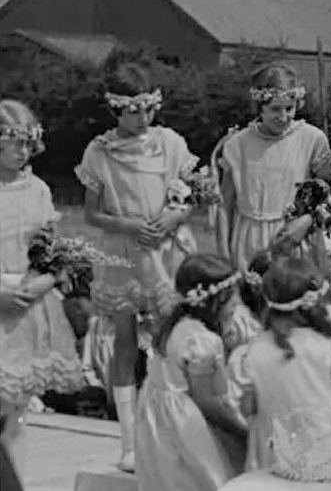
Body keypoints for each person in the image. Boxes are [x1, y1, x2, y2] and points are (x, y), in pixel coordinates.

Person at [75, 63, 199, 471]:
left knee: (171, 335)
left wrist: (173, 216)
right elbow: (92, 213)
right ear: (116, 109)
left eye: (148, 109)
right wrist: (129, 225)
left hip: (166, 251)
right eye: (134, 111)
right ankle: (128, 441)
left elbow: (190, 197)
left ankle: (177, 433)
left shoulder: (170, 143)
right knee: (125, 340)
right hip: (124, 254)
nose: (143, 118)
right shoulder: (99, 152)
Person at [0, 100, 84, 446]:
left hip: (28, 303)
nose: (23, 151)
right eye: (15, 143)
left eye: (28, 143)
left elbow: (53, 252)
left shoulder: (39, 189)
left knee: (15, 409)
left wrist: (43, 283)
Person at [135, 253, 247, 491]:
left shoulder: (176, 322)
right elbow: (206, 401)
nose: (236, 304)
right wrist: (241, 430)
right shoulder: (201, 341)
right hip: (183, 427)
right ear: (211, 301)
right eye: (230, 298)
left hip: (156, 422)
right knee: (200, 479)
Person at [229, 256, 331, 470]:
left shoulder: (250, 353)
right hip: (325, 444)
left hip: (274, 449)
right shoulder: (330, 347)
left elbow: (248, 407)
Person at [216, 62, 331, 269]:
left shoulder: (313, 139)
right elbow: (225, 204)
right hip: (250, 242)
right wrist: (223, 255)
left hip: (294, 239)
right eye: (275, 109)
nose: (283, 117)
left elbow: (327, 194)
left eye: (289, 108)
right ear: (259, 107)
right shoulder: (237, 145)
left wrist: (307, 221)